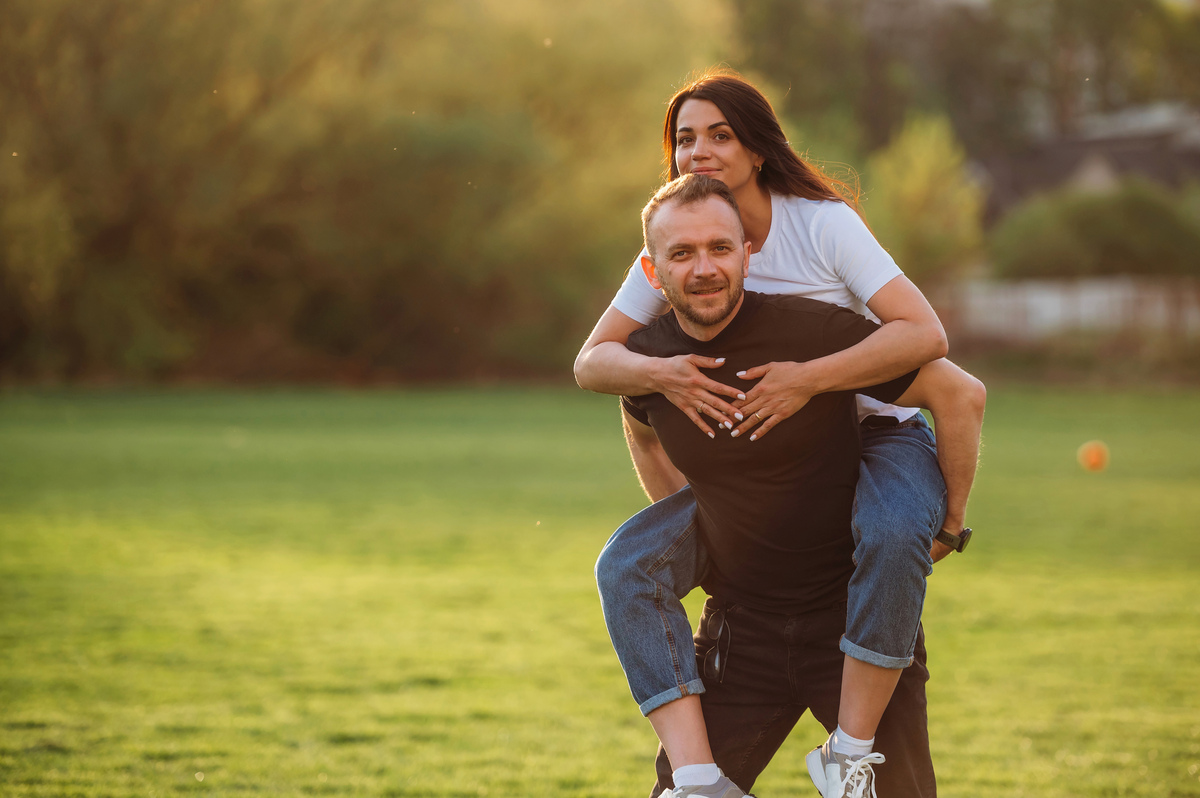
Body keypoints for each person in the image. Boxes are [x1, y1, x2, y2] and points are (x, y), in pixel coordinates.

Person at [577, 70, 986, 798]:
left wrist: (810, 379)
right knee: (626, 562)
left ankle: (850, 749)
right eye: (684, 139)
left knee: (894, 532)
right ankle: (699, 779)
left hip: (872, 423)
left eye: (720, 135)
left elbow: (929, 341)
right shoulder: (681, 241)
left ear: (758, 149)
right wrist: (667, 387)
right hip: (761, 482)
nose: (698, 152)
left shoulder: (820, 225)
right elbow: (598, 365)